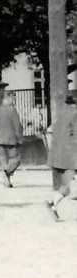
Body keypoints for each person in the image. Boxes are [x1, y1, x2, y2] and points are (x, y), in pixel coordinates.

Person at [46, 92, 77, 221]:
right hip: (70, 155)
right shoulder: (75, 114)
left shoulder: (60, 113)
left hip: (58, 154)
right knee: (66, 186)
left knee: (66, 185)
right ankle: (52, 203)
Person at [0, 90, 23, 187]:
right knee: (15, 160)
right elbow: (17, 126)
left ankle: (6, 180)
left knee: (3, 160)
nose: (14, 101)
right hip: (12, 140)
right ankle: (7, 173)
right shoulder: (12, 110)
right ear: (9, 98)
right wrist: (19, 138)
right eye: (13, 98)